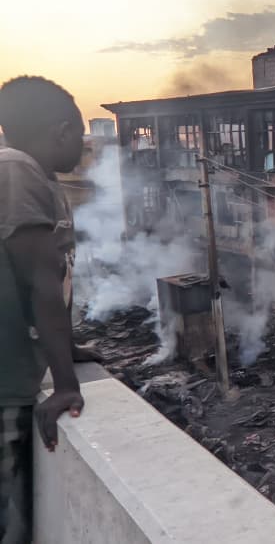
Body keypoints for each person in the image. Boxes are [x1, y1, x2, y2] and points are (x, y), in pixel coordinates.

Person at [0, 76, 90, 542]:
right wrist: (67, 385)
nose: (83, 147)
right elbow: (40, 283)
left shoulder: (35, 174)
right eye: (80, 136)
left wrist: (67, 349)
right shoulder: (15, 170)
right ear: (61, 131)